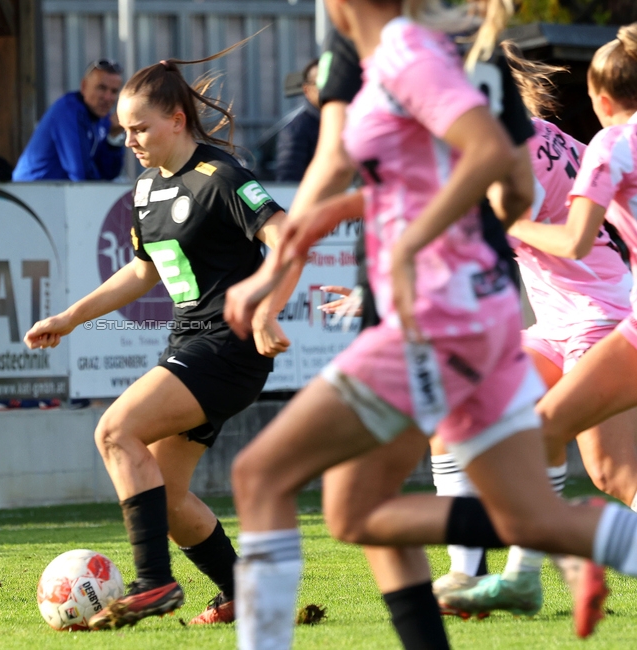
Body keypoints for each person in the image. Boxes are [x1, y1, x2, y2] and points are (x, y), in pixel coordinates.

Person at [226, 4, 637, 650]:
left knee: (260, 477)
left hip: (445, 316)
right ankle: (577, 534)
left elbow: (489, 159)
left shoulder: (406, 56)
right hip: (486, 313)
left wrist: (408, 244)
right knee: (359, 510)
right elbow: (477, 180)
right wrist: (309, 239)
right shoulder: (414, 58)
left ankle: (563, 536)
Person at [23, 47, 289, 629]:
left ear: (177, 119)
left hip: (229, 346)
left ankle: (155, 582)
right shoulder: (146, 189)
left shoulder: (222, 177)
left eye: (140, 127)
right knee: (165, 498)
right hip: (190, 344)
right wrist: (70, 318)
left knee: (115, 431)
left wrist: (267, 308)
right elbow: (144, 271)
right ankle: (244, 594)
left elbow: (288, 238)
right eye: (124, 131)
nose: (131, 141)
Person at [434, 41, 637, 618]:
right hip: (561, 321)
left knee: (612, 473)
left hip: (599, 317)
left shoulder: (502, 151)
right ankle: (466, 577)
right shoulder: (538, 132)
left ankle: (563, 550)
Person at [12, 60, 125, 181]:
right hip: (30, 193)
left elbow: (109, 175)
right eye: (101, 88)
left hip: (58, 194)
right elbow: (81, 175)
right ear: (83, 86)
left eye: (114, 91)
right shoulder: (68, 111)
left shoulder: (103, 119)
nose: (108, 97)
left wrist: (114, 138)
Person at [275, 59, 321, 182]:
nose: (330, 88)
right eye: (321, 83)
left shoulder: (353, 122)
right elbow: (288, 182)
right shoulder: (296, 130)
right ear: (306, 89)